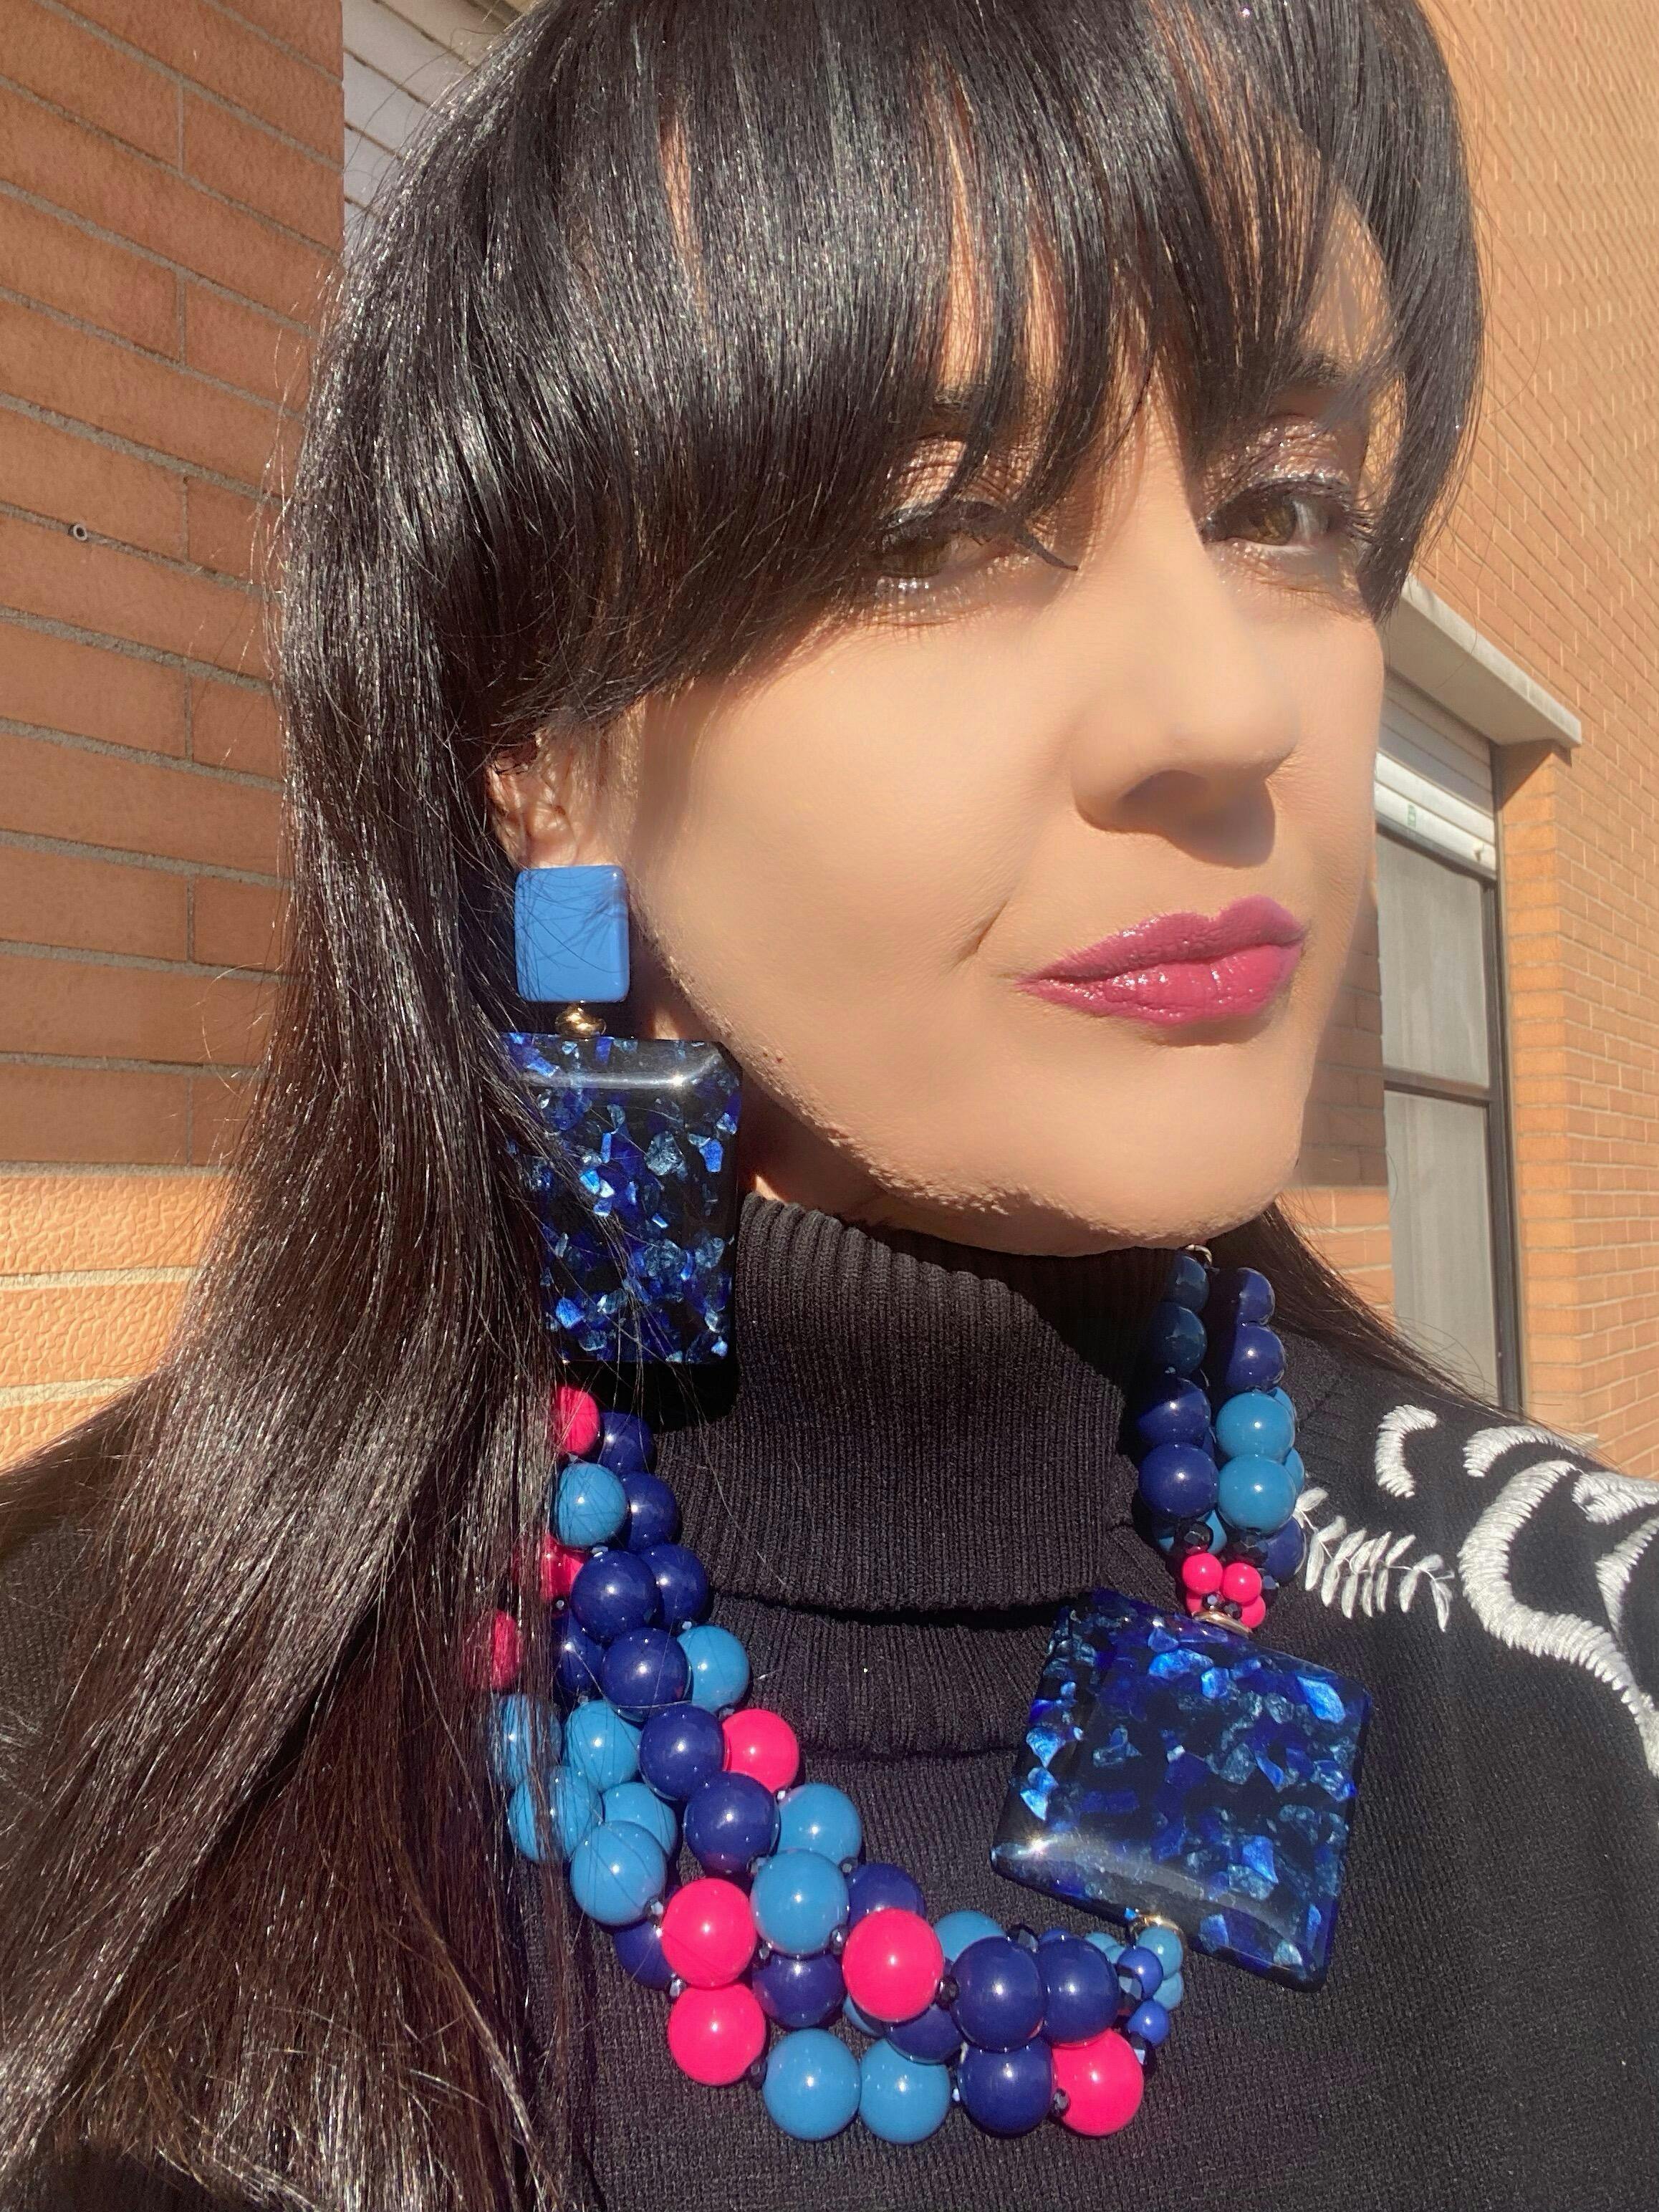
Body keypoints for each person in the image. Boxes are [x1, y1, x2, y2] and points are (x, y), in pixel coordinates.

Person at [2, 1, 1655, 2207]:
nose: (1224, 705)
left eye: (1283, 507)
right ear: (540, 756)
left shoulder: (1586, 1687)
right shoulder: (77, 1723)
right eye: (934, 534)